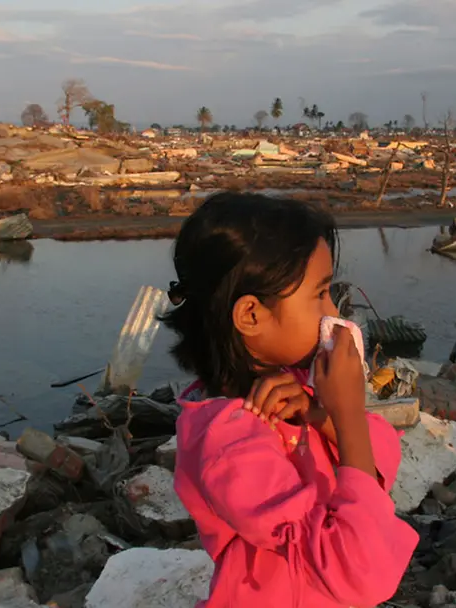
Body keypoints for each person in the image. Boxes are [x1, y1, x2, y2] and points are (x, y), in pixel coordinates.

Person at [163, 192, 417, 607]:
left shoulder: (293, 390)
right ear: (251, 316)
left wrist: (324, 415)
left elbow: (382, 460)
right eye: (320, 294)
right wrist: (348, 411)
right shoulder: (230, 443)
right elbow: (360, 573)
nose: (334, 311)